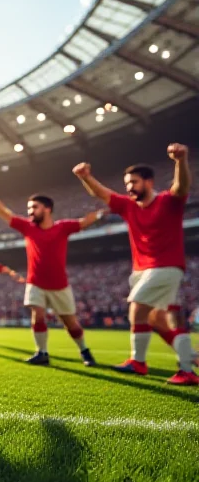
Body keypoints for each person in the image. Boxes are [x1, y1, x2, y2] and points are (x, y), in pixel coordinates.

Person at [73, 144, 198, 385]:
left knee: (137, 308)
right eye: (127, 183)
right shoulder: (128, 206)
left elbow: (182, 186)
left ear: (149, 182)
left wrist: (180, 161)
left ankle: (138, 362)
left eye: (134, 182)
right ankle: (189, 364)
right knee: (161, 319)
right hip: (141, 270)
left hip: (165, 266)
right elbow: (101, 194)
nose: (129, 187)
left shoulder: (167, 201)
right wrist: (85, 177)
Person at [0, 179, 101, 367]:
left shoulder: (63, 227)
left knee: (71, 323)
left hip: (59, 284)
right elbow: (5, 213)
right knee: (37, 315)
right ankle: (42, 352)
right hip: (35, 282)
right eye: (29, 208)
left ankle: (84, 350)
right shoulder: (28, 227)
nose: (30, 212)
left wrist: (101, 211)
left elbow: (84, 222)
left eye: (34, 207)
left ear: (47, 209)